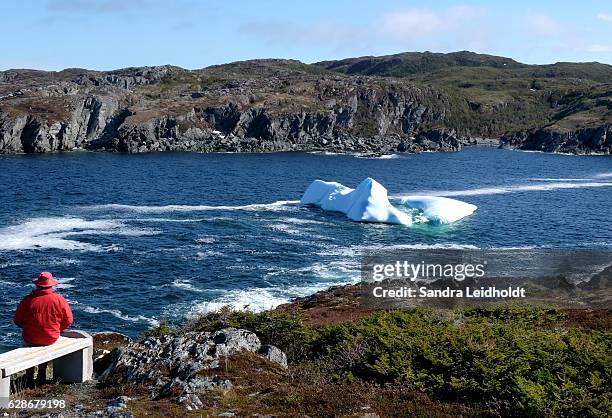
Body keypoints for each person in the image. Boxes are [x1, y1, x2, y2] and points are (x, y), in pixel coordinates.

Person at [14, 271, 74, 385]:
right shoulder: (59, 299)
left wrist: (28, 327)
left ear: (37, 285)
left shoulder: (27, 300)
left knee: (29, 341)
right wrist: (57, 329)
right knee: (44, 342)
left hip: (30, 337)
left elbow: (17, 320)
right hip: (51, 337)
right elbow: (69, 320)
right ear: (51, 285)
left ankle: (29, 374)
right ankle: (42, 373)